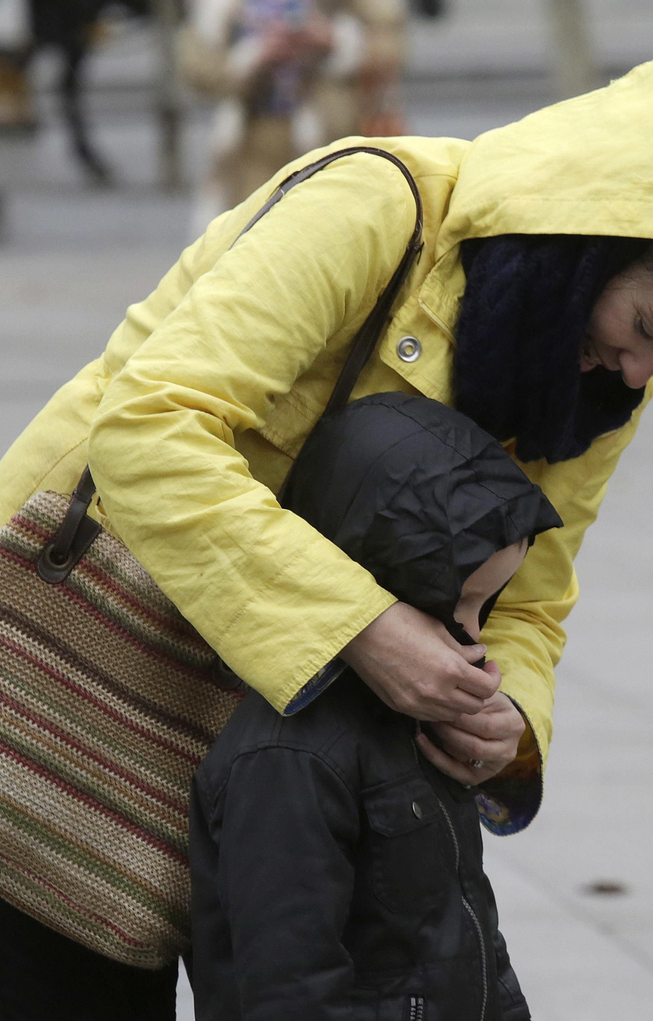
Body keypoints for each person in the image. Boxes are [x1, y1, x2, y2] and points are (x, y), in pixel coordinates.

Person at [0, 51, 653, 1017]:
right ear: (589, 236)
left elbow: (533, 590)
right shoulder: (374, 204)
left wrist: (508, 720)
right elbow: (152, 430)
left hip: (302, 765)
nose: (640, 369)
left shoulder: (603, 374)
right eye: (647, 323)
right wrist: (362, 628)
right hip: (88, 677)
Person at [190, 391, 560, 1021]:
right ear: (381, 583)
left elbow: (468, 924)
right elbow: (289, 986)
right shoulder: (289, 759)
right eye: (456, 604)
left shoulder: (415, 719)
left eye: (486, 607)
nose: (475, 638)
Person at [183, 0, 407, 207]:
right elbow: (197, 66)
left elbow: (392, 45)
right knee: (254, 232)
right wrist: (255, 56)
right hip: (250, 147)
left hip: (333, 141)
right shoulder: (220, 8)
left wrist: (330, 40)